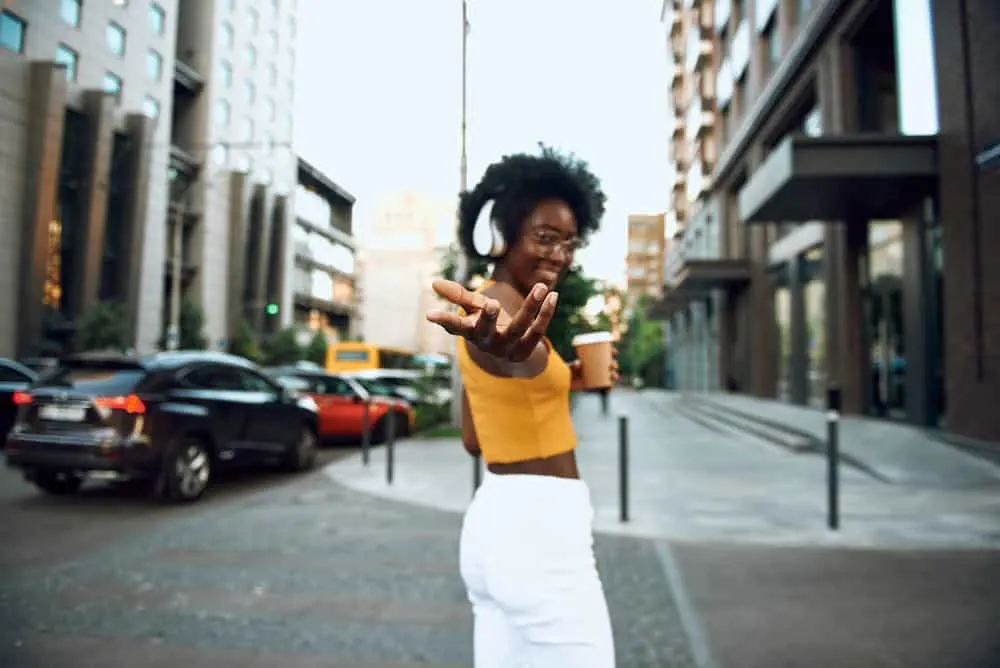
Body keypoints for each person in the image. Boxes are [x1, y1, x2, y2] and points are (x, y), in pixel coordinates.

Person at [426, 146, 618, 667]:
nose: (559, 254)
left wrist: (563, 381)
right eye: (544, 237)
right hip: (540, 536)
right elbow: (510, 347)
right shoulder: (500, 315)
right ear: (500, 236)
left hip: (495, 524)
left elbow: (474, 438)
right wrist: (506, 350)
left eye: (569, 242)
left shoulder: (499, 309)